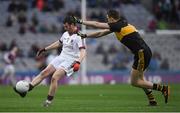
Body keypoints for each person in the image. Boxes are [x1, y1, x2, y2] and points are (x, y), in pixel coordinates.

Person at [72, 9, 170, 105]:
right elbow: (100, 33)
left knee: (135, 82)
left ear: (111, 18)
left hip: (142, 53)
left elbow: (97, 25)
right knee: (140, 80)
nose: (107, 20)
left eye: (107, 18)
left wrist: (80, 21)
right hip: (141, 53)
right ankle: (152, 100)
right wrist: (86, 35)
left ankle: (163, 89)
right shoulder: (120, 25)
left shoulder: (118, 25)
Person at [13, 16, 86, 107]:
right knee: (44, 72)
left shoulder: (79, 36)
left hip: (71, 60)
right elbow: (59, 43)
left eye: (66, 26)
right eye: (64, 26)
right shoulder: (65, 34)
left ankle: (48, 102)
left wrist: (78, 62)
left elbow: (83, 51)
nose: (65, 28)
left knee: (55, 77)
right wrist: (44, 49)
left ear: (72, 25)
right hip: (61, 57)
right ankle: (26, 89)